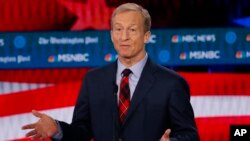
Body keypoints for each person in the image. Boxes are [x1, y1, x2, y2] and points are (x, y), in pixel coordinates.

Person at [22, 3, 199, 141]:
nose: (124, 37)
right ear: (111, 34)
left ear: (146, 36)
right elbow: (81, 133)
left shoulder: (171, 83)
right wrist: (57, 129)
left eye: (132, 30)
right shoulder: (94, 80)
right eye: (118, 29)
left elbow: (190, 135)